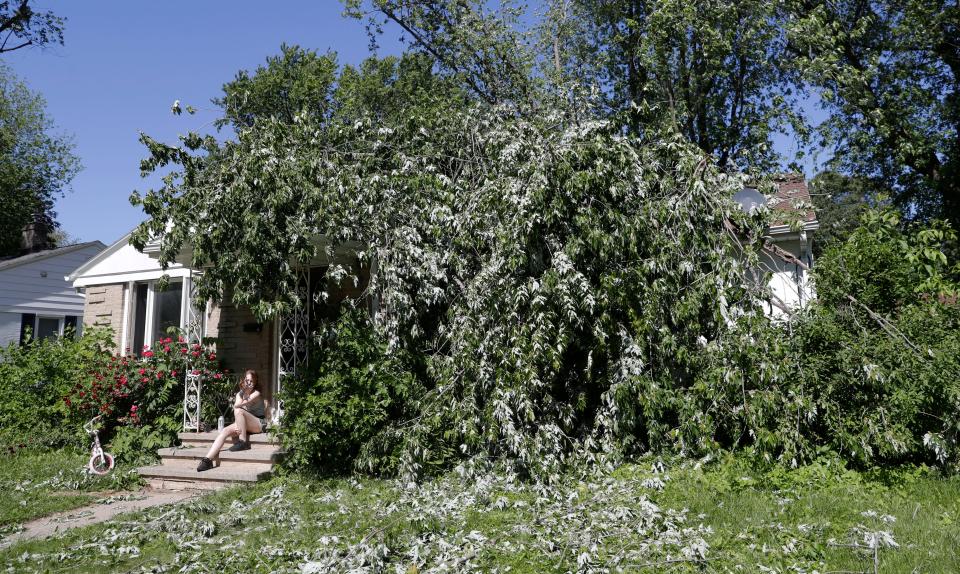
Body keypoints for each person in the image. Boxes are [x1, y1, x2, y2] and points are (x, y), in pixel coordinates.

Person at [197, 369, 269, 472]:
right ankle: (207, 460)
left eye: (251, 381)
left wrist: (243, 393)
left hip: (259, 423)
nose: (249, 383)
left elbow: (238, 406)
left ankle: (242, 441)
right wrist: (242, 392)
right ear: (244, 380)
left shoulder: (256, 393)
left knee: (239, 410)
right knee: (225, 431)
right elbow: (237, 405)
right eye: (247, 380)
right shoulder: (240, 394)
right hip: (245, 422)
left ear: (255, 382)